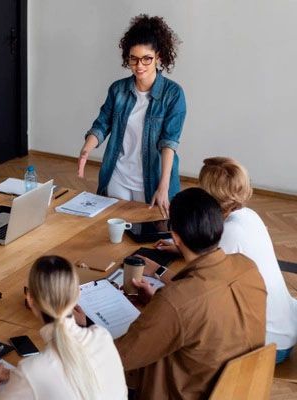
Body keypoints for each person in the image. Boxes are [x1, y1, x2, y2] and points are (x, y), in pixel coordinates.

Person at [113, 188, 266, 399]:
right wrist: (157, 306)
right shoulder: (248, 267)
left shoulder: (176, 301)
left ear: (175, 237)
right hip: (241, 388)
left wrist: (84, 327)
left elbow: (119, 358)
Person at [144, 157, 297, 364]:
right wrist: (183, 247)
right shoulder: (248, 215)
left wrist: (157, 270)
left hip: (268, 345)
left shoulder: (229, 232)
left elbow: (194, 290)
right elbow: (217, 257)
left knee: (178, 337)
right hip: (284, 326)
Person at [0, 255, 127, 400]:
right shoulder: (102, 336)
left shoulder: (32, 371)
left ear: (30, 299)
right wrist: (15, 376)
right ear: (78, 294)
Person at [78, 14, 186, 218]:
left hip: (153, 179)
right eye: (134, 59)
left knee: (148, 234)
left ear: (159, 57)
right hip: (117, 175)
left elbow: (169, 144)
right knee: (112, 229)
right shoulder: (118, 90)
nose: (139, 65)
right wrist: (86, 149)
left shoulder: (173, 94)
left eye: (147, 59)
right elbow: (102, 125)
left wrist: (163, 186)